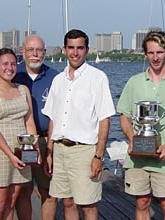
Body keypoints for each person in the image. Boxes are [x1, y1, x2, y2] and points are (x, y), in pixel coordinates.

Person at [117, 30, 165, 219]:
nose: (155, 57)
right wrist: (132, 139)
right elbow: (124, 115)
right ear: (145, 54)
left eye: (159, 52)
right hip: (138, 157)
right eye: (151, 52)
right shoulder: (134, 82)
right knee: (142, 203)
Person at [42, 29, 116, 220]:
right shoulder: (58, 80)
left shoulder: (97, 78)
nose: (75, 53)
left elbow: (104, 119)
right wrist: (49, 151)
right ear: (64, 50)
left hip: (84, 151)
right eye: (71, 48)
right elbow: (53, 119)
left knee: (88, 205)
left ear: (87, 50)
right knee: (67, 201)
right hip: (59, 150)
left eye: (80, 48)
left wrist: (98, 156)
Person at [13, 35, 77, 220]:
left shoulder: (55, 77)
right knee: (22, 191)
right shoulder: (12, 74)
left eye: (39, 50)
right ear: (22, 51)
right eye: (30, 50)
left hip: (45, 140)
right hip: (18, 141)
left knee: (47, 191)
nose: (35, 54)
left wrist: (50, 147)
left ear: (45, 52)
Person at [0, 48, 41, 220]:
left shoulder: (23, 90)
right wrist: (10, 155)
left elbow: (29, 121)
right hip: (0, 153)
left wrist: (35, 149)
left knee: (12, 200)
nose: (9, 68)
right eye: (5, 64)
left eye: (13, 64)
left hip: (21, 151)